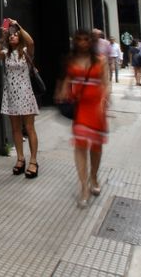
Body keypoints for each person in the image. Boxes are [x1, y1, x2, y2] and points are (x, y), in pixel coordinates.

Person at [55, 28, 110, 208]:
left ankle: (94, 176)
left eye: (86, 39)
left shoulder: (101, 61)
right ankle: (84, 186)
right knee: (80, 146)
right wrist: (63, 92)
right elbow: (66, 80)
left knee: (95, 147)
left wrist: (104, 101)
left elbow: (106, 84)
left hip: (96, 108)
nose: (83, 43)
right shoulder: (71, 61)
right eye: (79, 39)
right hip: (80, 108)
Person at [0, 18, 40, 178]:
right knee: (15, 129)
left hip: (25, 94)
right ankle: (20, 159)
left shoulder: (26, 51)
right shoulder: (7, 53)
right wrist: (3, 36)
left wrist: (18, 25)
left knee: (29, 128)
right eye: (11, 35)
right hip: (11, 95)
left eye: (15, 35)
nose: (12, 37)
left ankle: (33, 161)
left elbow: (31, 41)